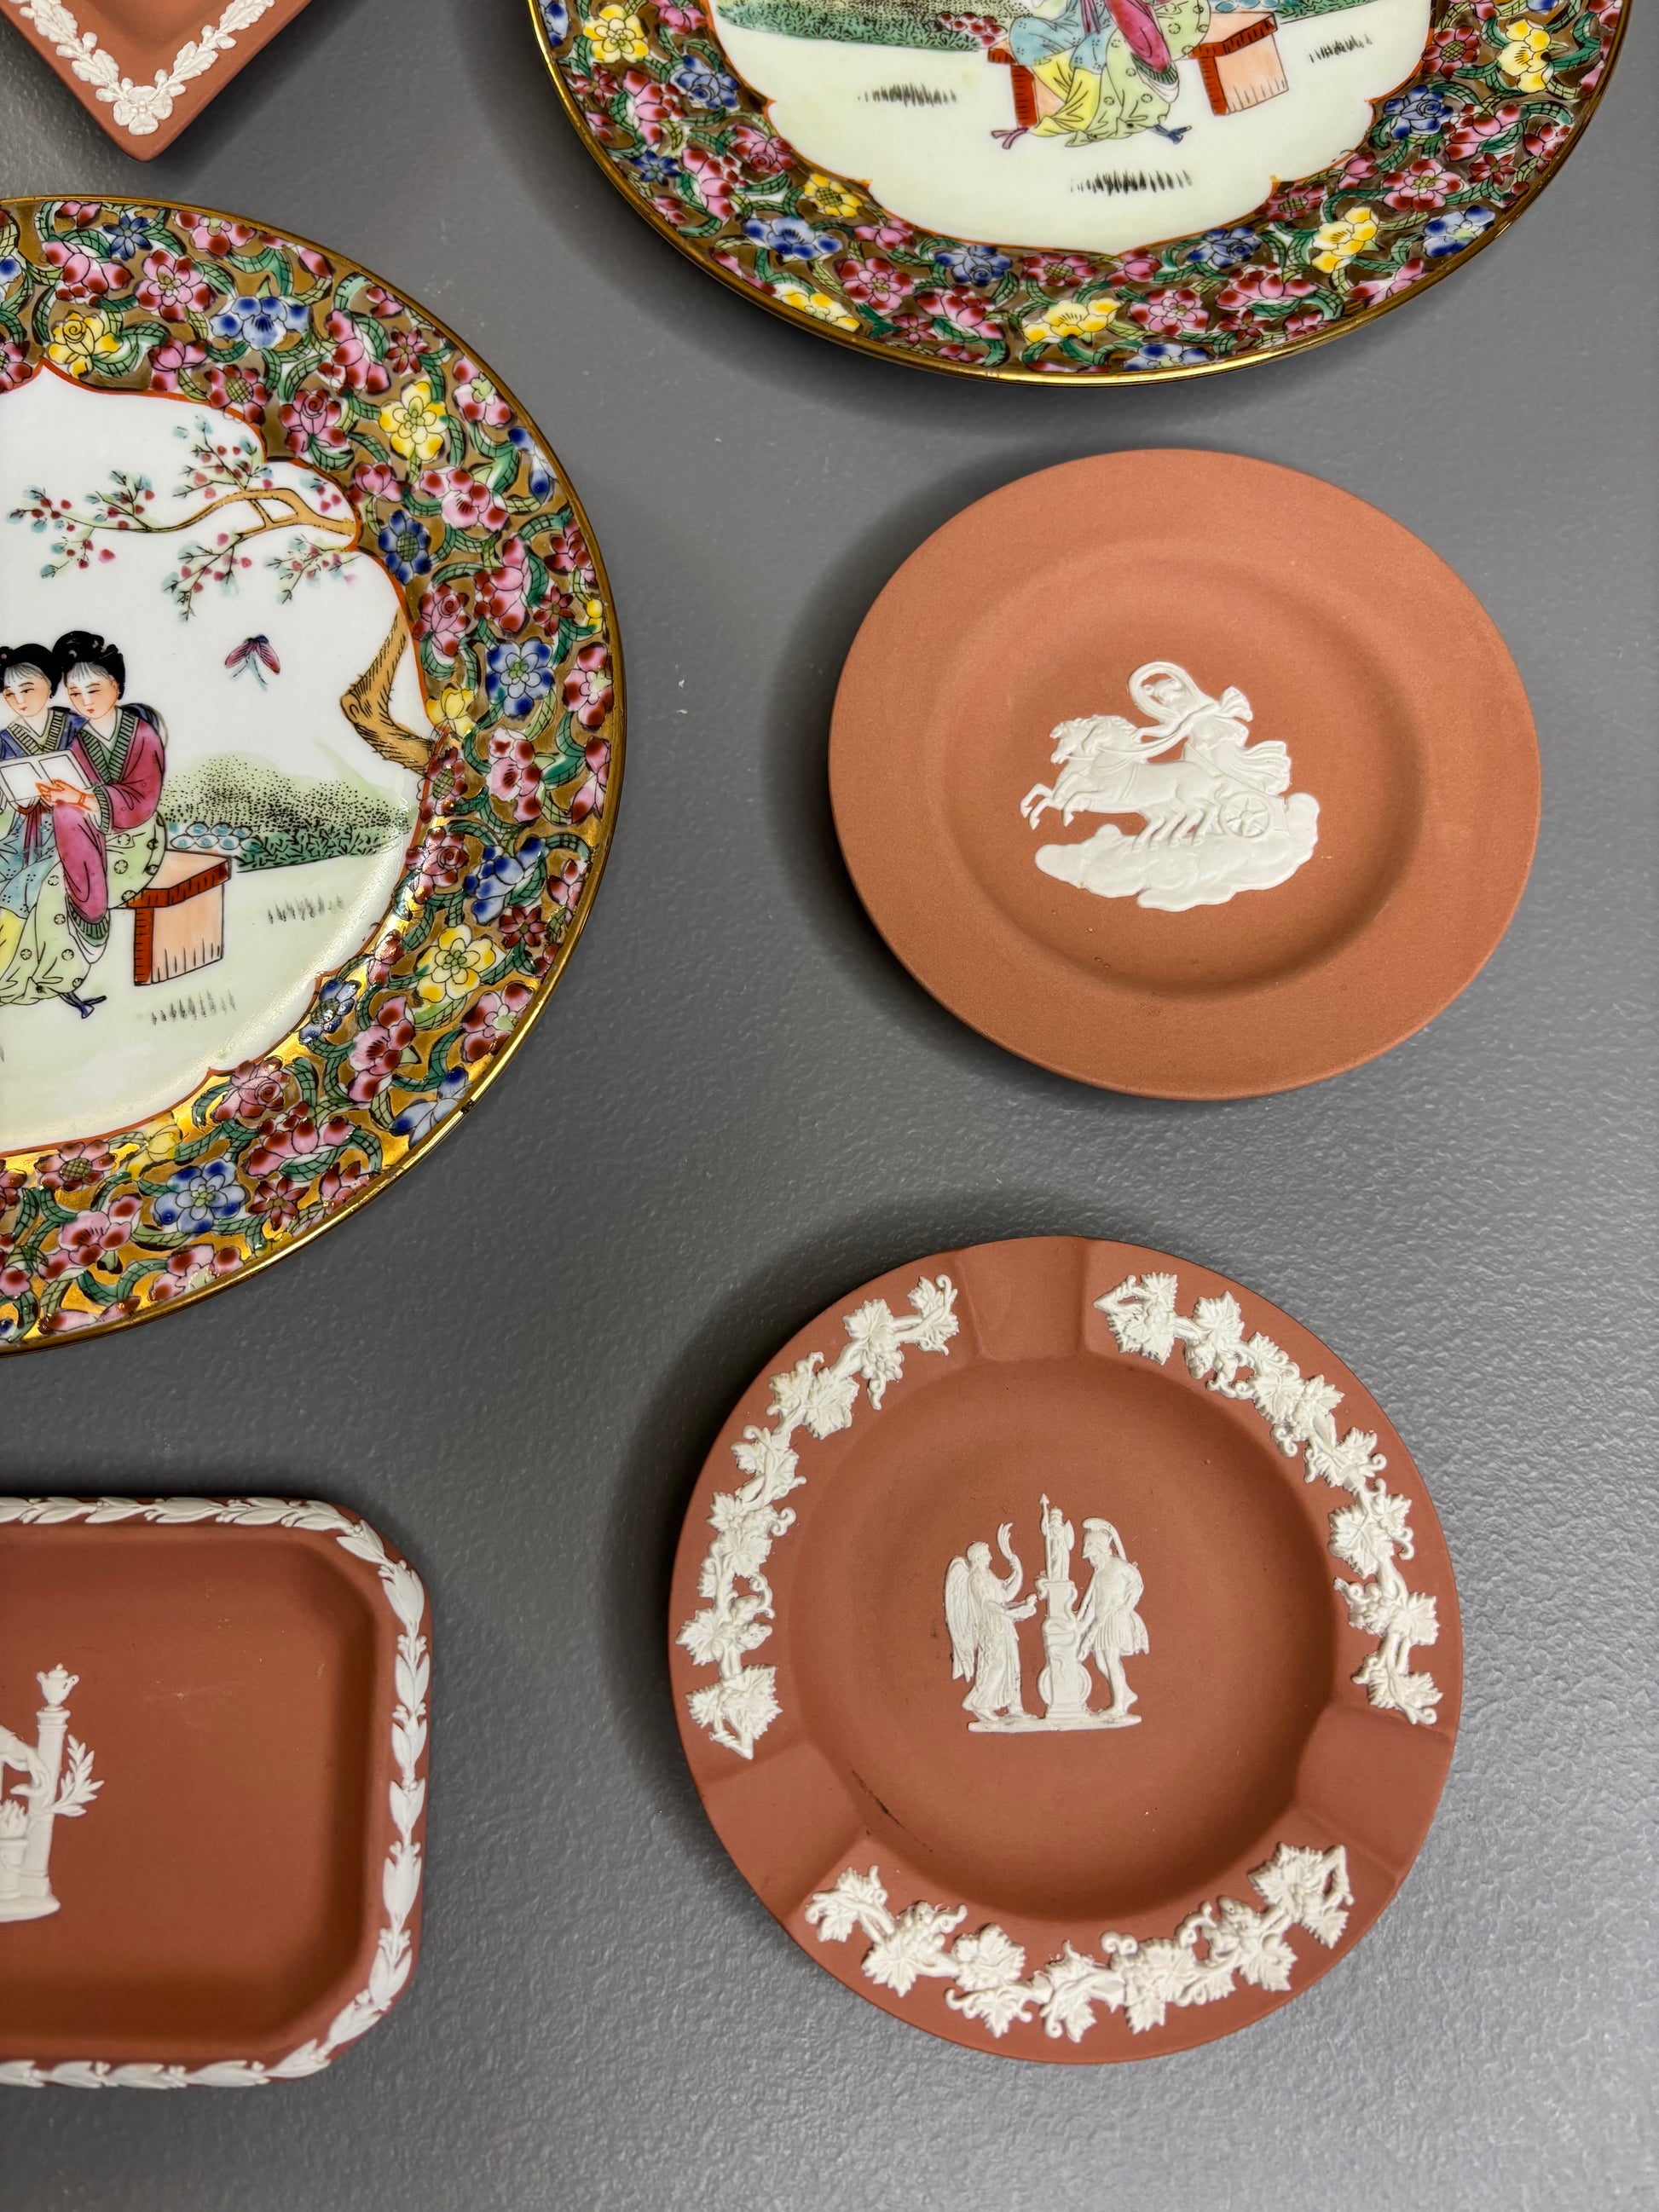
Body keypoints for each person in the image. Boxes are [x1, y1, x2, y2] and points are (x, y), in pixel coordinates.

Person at [997, 0, 1209, 147]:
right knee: (1024, 32)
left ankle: (1083, 115)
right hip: (1082, 17)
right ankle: (1082, 108)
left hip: (1123, 22)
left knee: (1093, 50)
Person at [1078, 1518, 1149, 1718]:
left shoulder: (1118, 1566)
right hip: (1101, 1623)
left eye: (1093, 1555)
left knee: (1111, 1659)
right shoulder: (1098, 1574)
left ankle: (1118, 1706)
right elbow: (1094, 1604)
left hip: (1115, 1620)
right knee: (1101, 1662)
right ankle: (1126, 1695)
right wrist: (1082, 1626)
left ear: (1101, 1549)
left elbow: (1136, 1584)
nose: (1091, 1560)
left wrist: (1127, 1606)